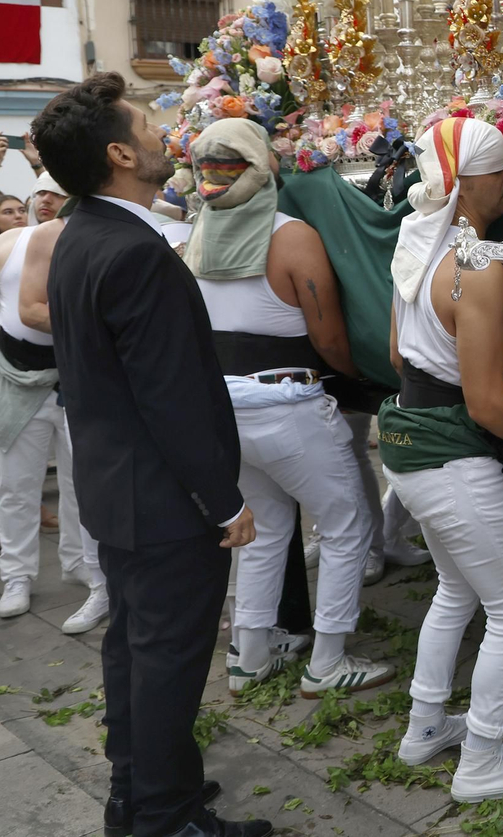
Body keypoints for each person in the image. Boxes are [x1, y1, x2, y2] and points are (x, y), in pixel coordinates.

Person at [30, 73, 269, 837]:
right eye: (147, 124)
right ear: (118, 153)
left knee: (136, 650)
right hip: (160, 497)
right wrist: (223, 500)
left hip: (116, 485)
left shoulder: (82, 230)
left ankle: (138, 796)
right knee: (166, 659)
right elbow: (171, 395)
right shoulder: (132, 248)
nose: (164, 133)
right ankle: (162, 816)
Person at [379, 117, 503, 800]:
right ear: (464, 183)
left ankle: (426, 726)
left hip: (408, 439)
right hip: (452, 453)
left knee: (456, 589)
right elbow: (488, 404)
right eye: (500, 169)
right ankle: (483, 761)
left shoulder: (416, 242)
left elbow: (399, 357)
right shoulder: (473, 267)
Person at [181, 119, 387, 702]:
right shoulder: (292, 237)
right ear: (266, 165)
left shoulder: (192, 237)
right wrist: (359, 373)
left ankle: (249, 656)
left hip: (224, 410)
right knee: (347, 525)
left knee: (266, 527)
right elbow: (328, 339)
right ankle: (329, 659)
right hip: (288, 403)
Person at [0, 212, 105, 632]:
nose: (50, 200)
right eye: (43, 193)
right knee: (17, 485)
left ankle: (86, 568)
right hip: (18, 378)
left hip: (81, 376)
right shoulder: (9, 242)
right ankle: (16, 576)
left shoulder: (97, 238)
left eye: (58, 190)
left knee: (86, 483)